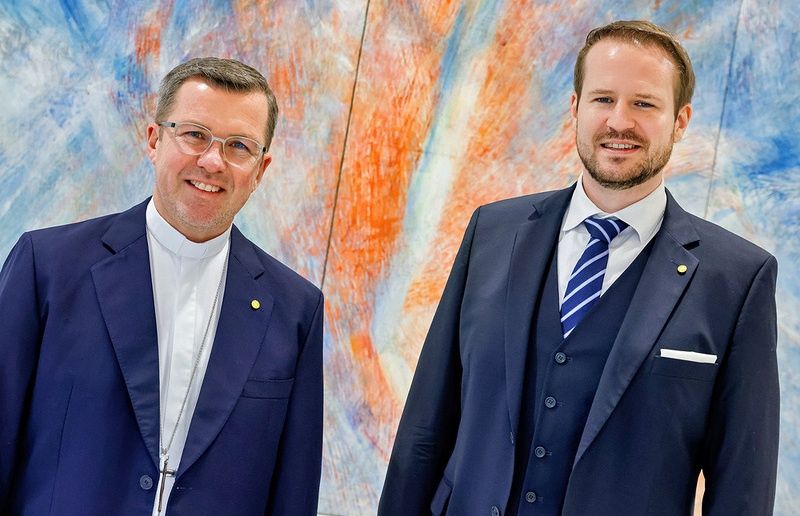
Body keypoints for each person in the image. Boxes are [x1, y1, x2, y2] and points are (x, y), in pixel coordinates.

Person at [379, 20, 779, 516]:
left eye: (645, 103)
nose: (619, 121)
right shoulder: (492, 232)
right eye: (603, 99)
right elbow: (425, 426)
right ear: (575, 108)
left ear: (680, 121)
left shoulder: (737, 278)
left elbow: (742, 482)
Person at [0, 57, 323, 515]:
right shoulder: (48, 267)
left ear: (261, 169)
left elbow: (293, 491)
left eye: (238, 146)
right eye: (194, 135)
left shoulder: (295, 310)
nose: (212, 161)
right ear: (155, 140)